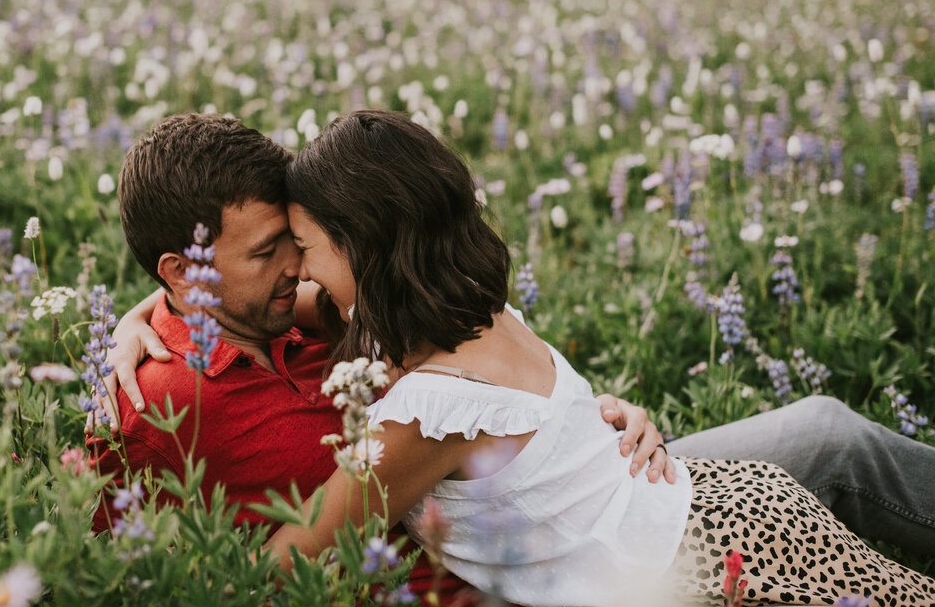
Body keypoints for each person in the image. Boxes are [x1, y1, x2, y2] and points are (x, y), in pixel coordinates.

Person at [263, 110, 935, 606]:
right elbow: (263, 307)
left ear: (366, 248)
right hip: (723, 505)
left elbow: (290, 561)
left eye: (304, 245)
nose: (297, 268)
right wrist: (157, 308)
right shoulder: (472, 307)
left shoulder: (430, 412)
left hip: (692, 565)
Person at [87, 112, 673, 605]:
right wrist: (138, 319)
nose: (298, 267)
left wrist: (576, 425)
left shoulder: (334, 308)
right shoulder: (149, 406)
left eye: (299, 242)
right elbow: (125, 573)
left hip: (605, 538)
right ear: (185, 273)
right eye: (268, 252)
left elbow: (483, 398)